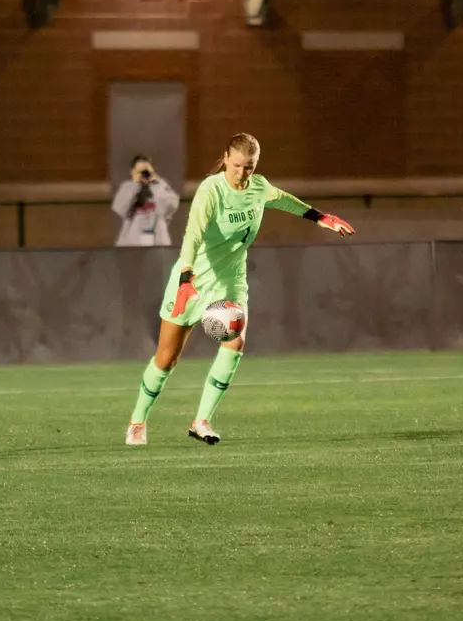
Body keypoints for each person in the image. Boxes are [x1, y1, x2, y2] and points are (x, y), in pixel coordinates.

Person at [125, 132, 355, 446]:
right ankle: (138, 421)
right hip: (193, 278)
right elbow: (193, 232)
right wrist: (185, 276)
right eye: (236, 165)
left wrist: (318, 216)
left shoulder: (257, 186)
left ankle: (201, 421)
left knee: (235, 342)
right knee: (166, 359)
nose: (241, 173)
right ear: (225, 159)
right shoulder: (212, 189)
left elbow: (283, 199)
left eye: (249, 167)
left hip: (230, 280)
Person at [111, 155, 180, 247]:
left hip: (158, 239)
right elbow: (120, 208)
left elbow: (171, 206)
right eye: (139, 171)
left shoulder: (161, 185)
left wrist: (155, 185)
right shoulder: (127, 187)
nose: (143, 174)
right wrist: (136, 185)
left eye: (146, 170)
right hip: (132, 241)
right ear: (132, 171)